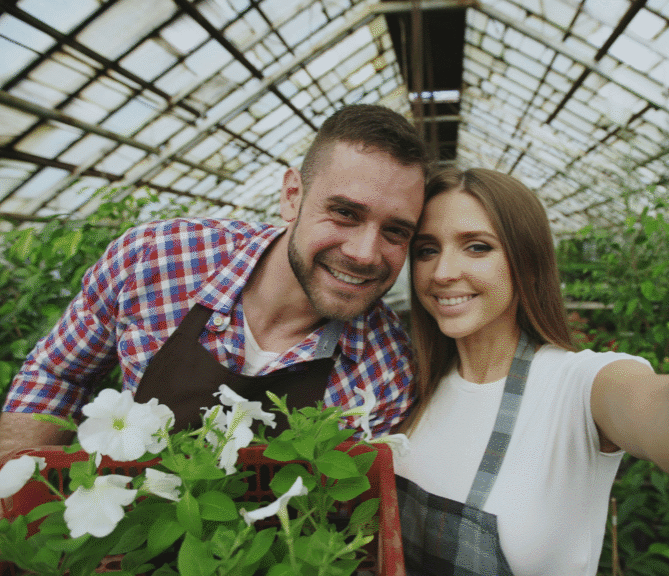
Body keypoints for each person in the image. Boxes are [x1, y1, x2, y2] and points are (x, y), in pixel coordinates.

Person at [393, 167, 669, 576]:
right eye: (427, 250)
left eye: (477, 246)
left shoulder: (577, 386)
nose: (443, 272)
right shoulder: (413, 387)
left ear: (526, 260)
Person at [0, 104, 429, 458]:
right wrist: (18, 489)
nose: (364, 253)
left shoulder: (386, 367)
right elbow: (59, 373)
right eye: (345, 213)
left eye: (396, 231)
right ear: (292, 196)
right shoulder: (158, 259)